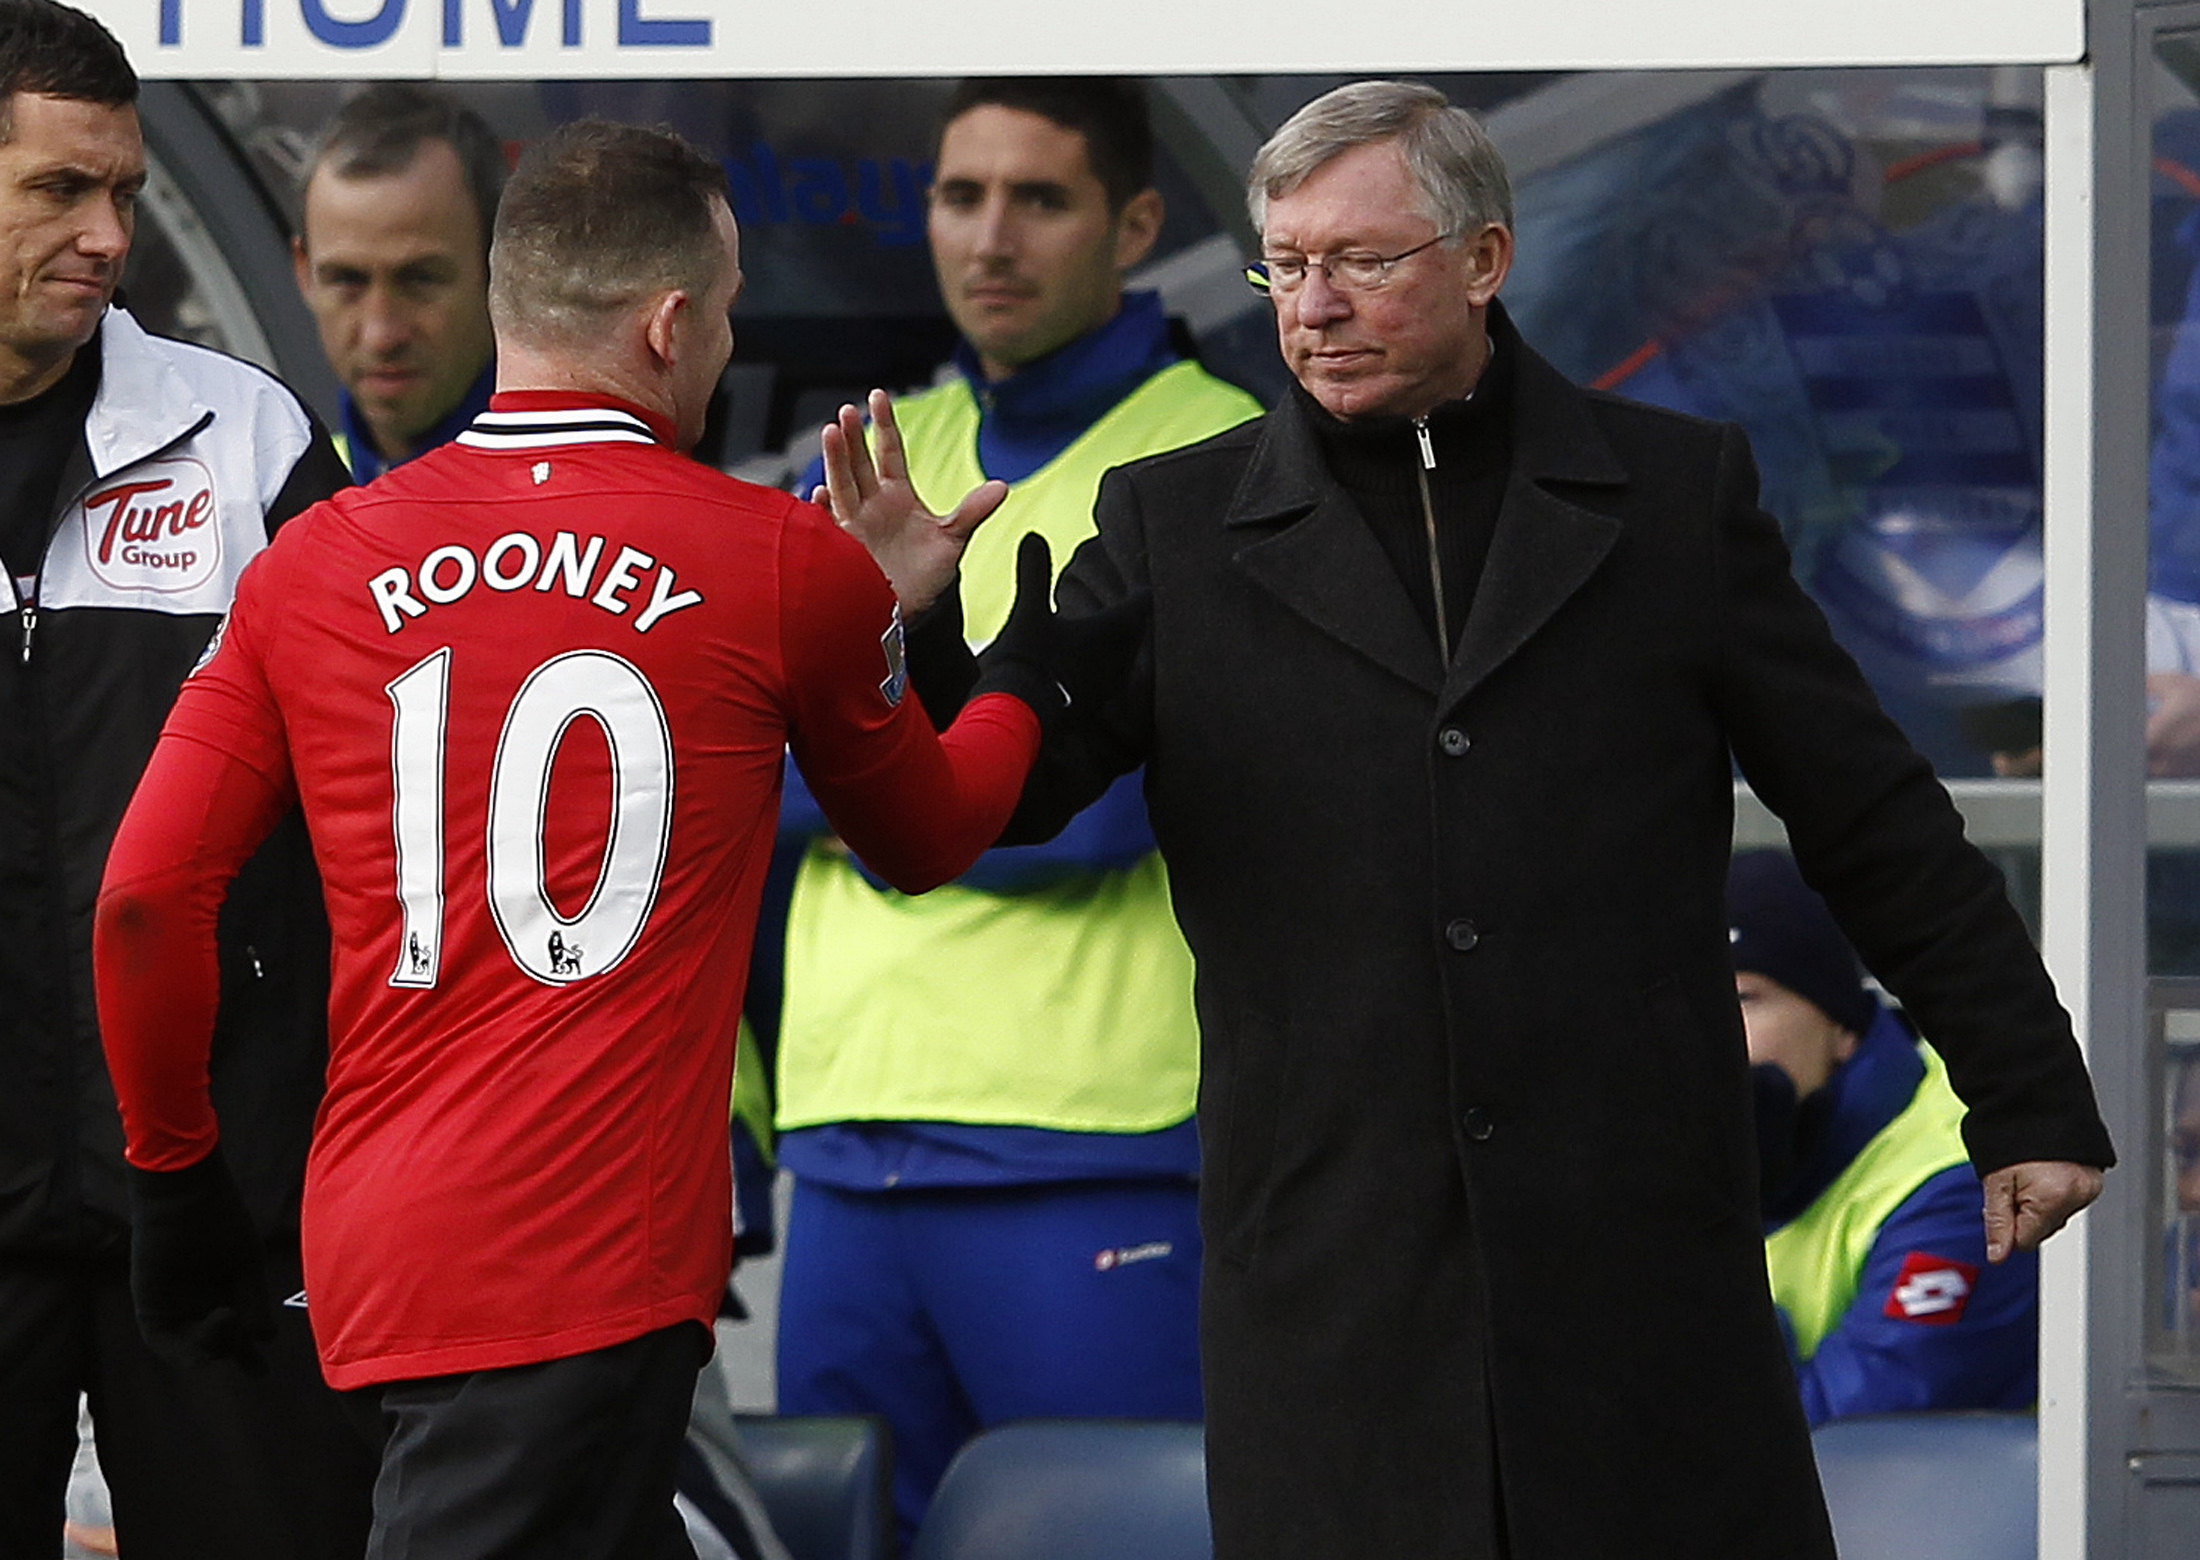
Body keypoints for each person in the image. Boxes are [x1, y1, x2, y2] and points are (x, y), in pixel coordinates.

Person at [829, 79, 2114, 1560]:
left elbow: (1875, 819)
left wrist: (2023, 1093)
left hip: (1640, 1290)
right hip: (1335, 1296)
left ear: (1485, 259)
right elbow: (1000, 801)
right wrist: (911, 628)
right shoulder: (1172, 527)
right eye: (1286, 265)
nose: (1313, 306)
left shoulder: (1670, 503)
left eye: (1364, 262)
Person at [91, 117, 1132, 1560]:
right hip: (589, 1266)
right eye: (725, 312)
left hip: (367, 1256)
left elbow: (145, 898)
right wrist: (1023, 678)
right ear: (669, 323)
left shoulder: (311, 558)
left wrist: (175, 1178)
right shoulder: (777, 561)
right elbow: (932, 831)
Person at [773, 76, 1258, 1542]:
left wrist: (868, 781)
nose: (990, 237)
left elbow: (1110, 809)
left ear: (1138, 224)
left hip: (1089, 1149)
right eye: (959, 195)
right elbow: (756, 763)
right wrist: (932, 779)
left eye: (1038, 199)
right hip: (848, 1143)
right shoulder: (871, 450)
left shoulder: (1221, 452)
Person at [0, 4, 377, 1558]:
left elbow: (382, 807)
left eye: (128, 195)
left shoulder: (247, 437)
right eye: (59, 190)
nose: (107, 236)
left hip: (216, 1200)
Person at [1730, 849, 2040, 1425]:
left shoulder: (1964, 1176)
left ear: (1841, 1024)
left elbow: (1855, 1432)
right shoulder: (1644, 1145)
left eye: (1744, 999)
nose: (1708, 1032)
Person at [293, 81, 500, 482]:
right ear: (303, 272)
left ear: (498, 269)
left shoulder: (579, 501)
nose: (381, 335)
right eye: (347, 282)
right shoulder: (279, 489)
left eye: (420, 280)